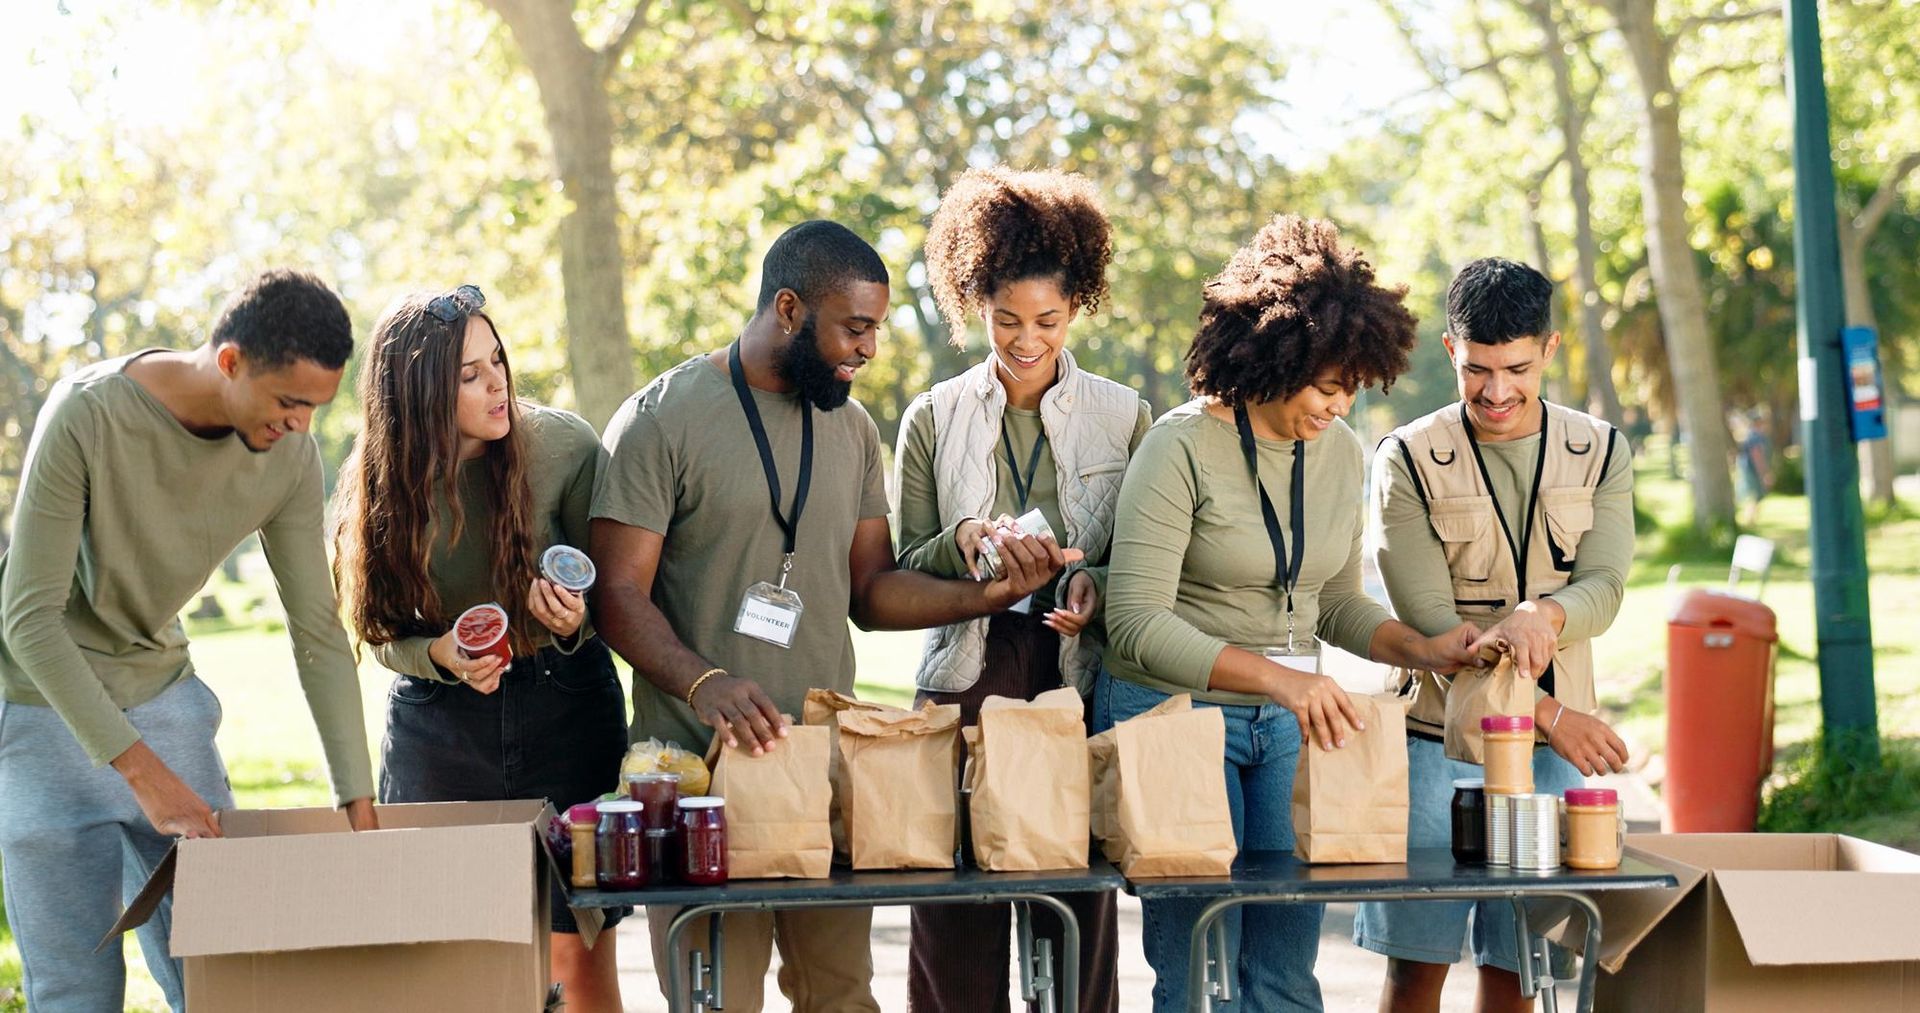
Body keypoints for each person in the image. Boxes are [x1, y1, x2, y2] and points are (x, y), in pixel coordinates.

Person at [588, 220, 1066, 1012]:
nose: (870, 348)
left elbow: (872, 590)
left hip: (822, 772)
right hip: (699, 779)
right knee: (718, 1001)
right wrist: (702, 680)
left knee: (842, 997)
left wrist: (983, 596)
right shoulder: (661, 417)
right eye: (855, 327)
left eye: (875, 327)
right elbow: (615, 594)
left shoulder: (849, 430)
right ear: (787, 308)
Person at [1096, 215, 1480, 1012]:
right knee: (1200, 972)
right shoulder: (1181, 448)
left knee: (1284, 971)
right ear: (1274, 355)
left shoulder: (1340, 454)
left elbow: (1334, 600)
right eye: (1326, 384)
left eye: (1352, 387)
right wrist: (1281, 680)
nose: (1340, 405)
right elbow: (1133, 619)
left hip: (1290, 726)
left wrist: (1421, 646)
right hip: (1173, 714)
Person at [0, 269, 378, 1012]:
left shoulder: (288, 457)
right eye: (289, 401)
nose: (301, 424)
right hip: (41, 708)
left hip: (164, 699)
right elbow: (27, 619)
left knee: (225, 977)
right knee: (76, 989)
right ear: (230, 361)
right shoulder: (87, 412)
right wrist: (145, 775)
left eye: (315, 406)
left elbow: (316, 631)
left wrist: (359, 809)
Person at [329, 285, 628, 1012]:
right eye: (469, 374)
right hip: (438, 725)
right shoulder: (376, 482)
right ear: (418, 391)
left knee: (577, 953)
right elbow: (378, 632)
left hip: (566, 704)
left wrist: (568, 622)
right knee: (452, 962)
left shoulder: (562, 445)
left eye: (497, 360)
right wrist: (438, 654)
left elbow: (616, 594)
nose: (497, 382)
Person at [894, 166, 1149, 1013]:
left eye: (1046, 319)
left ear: (1077, 306)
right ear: (976, 304)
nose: (1026, 339)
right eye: (1005, 320)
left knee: (1074, 890)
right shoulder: (932, 416)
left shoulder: (1127, 416)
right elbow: (903, 561)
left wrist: (1092, 586)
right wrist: (964, 541)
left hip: (1075, 661)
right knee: (960, 891)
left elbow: (1141, 561)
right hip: (969, 668)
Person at [1354, 257, 1634, 1013]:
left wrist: (1541, 615)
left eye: (1516, 367)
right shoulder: (1404, 459)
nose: (1497, 391)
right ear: (1451, 351)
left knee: (1522, 968)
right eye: (1478, 369)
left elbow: (1604, 588)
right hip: (1434, 744)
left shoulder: (1602, 450)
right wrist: (1548, 713)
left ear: (1549, 349)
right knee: (1416, 969)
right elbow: (1436, 630)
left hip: (1552, 763)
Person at [1734, 410, 1773, 527]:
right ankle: (1750, 521)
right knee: (1754, 496)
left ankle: (1751, 521)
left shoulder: (1752, 436)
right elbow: (1757, 455)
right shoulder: (1756, 437)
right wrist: (1764, 473)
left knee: (1754, 496)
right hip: (1752, 471)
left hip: (1749, 469)